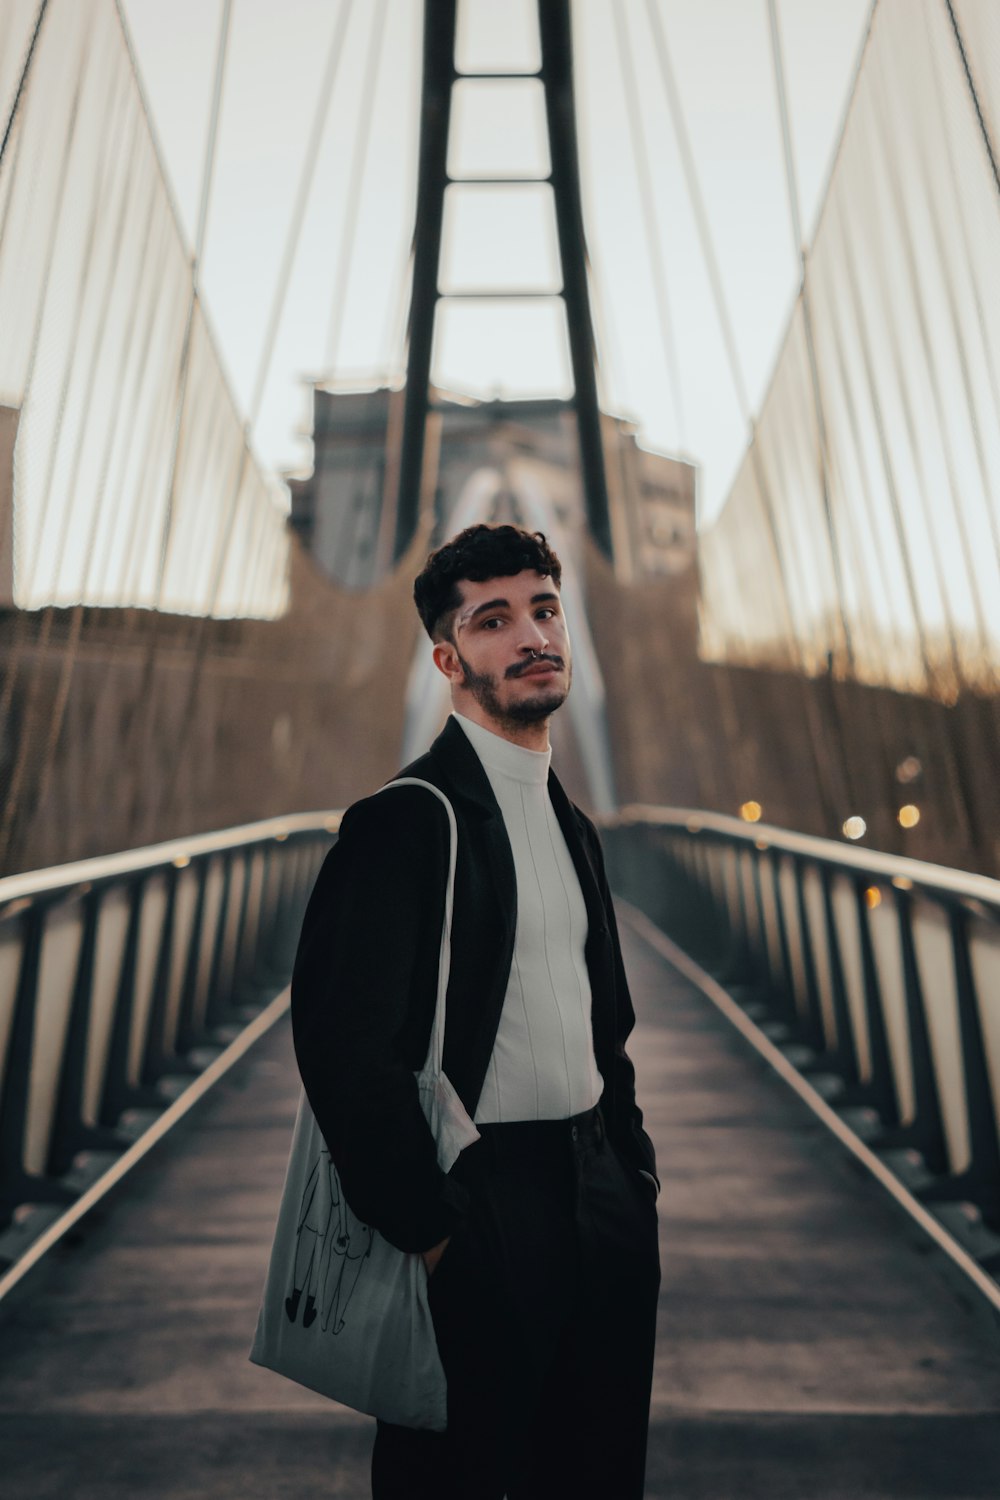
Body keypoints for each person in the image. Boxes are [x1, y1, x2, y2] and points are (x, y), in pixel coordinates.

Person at [290, 523, 660, 1500]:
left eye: (544, 609)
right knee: (451, 1475)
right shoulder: (401, 824)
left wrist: (630, 1170)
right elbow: (340, 1044)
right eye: (494, 620)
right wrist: (427, 1223)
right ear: (448, 659)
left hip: (597, 1193)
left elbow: (604, 1028)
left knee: (599, 1470)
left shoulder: (571, 824)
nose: (532, 634)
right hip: (477, 1202)